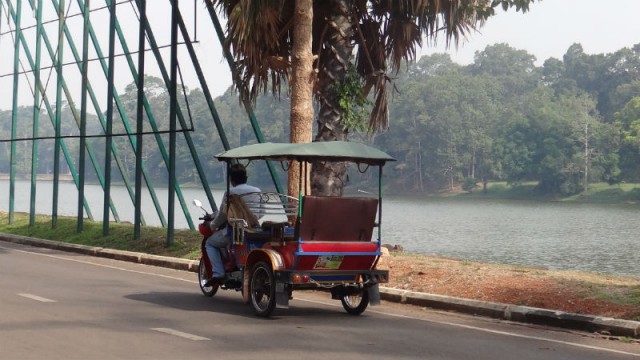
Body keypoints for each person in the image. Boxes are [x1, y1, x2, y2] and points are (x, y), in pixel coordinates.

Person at [204, 164, 262, 286]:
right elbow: (262, 212)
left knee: (210, 243)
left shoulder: (230, 192)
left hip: (236, 231)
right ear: (246, 177)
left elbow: (222, 214)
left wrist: (212, 225)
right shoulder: (257, 191)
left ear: (231, 180)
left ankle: (218, 273)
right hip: (254, 229)